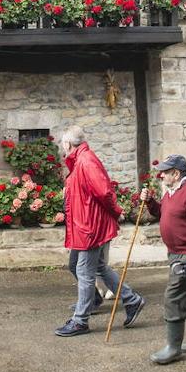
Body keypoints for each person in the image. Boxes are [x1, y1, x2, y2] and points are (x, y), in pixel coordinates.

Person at [54, 125, 145, 337]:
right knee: (81, 266)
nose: (62, 148)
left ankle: (80, 321)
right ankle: (128, 300)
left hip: (90, 226)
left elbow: (104, 191)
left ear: (68, 144)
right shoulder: (79, 160)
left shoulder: (86, 161)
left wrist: (117, 211)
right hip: (83, 224)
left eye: (62, 144)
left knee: (86, 272)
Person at [139, 155, 186, 364]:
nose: (161, 175)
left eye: (165, 172)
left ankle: (173, 348)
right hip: (175, 253)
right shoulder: (172, 191)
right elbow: (162, 213)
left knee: (173, 297)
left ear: (176, 174)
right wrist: (150, 202)